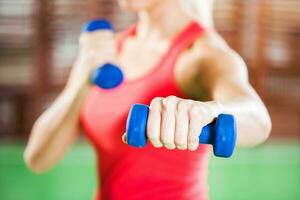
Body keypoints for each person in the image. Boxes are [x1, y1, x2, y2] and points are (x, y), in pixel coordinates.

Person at [24, 0, 272, 199]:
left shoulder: (202, 54)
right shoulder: (110, 51)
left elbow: (257, 118)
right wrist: (79, 82)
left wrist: (209, 112)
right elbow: (38, 158)